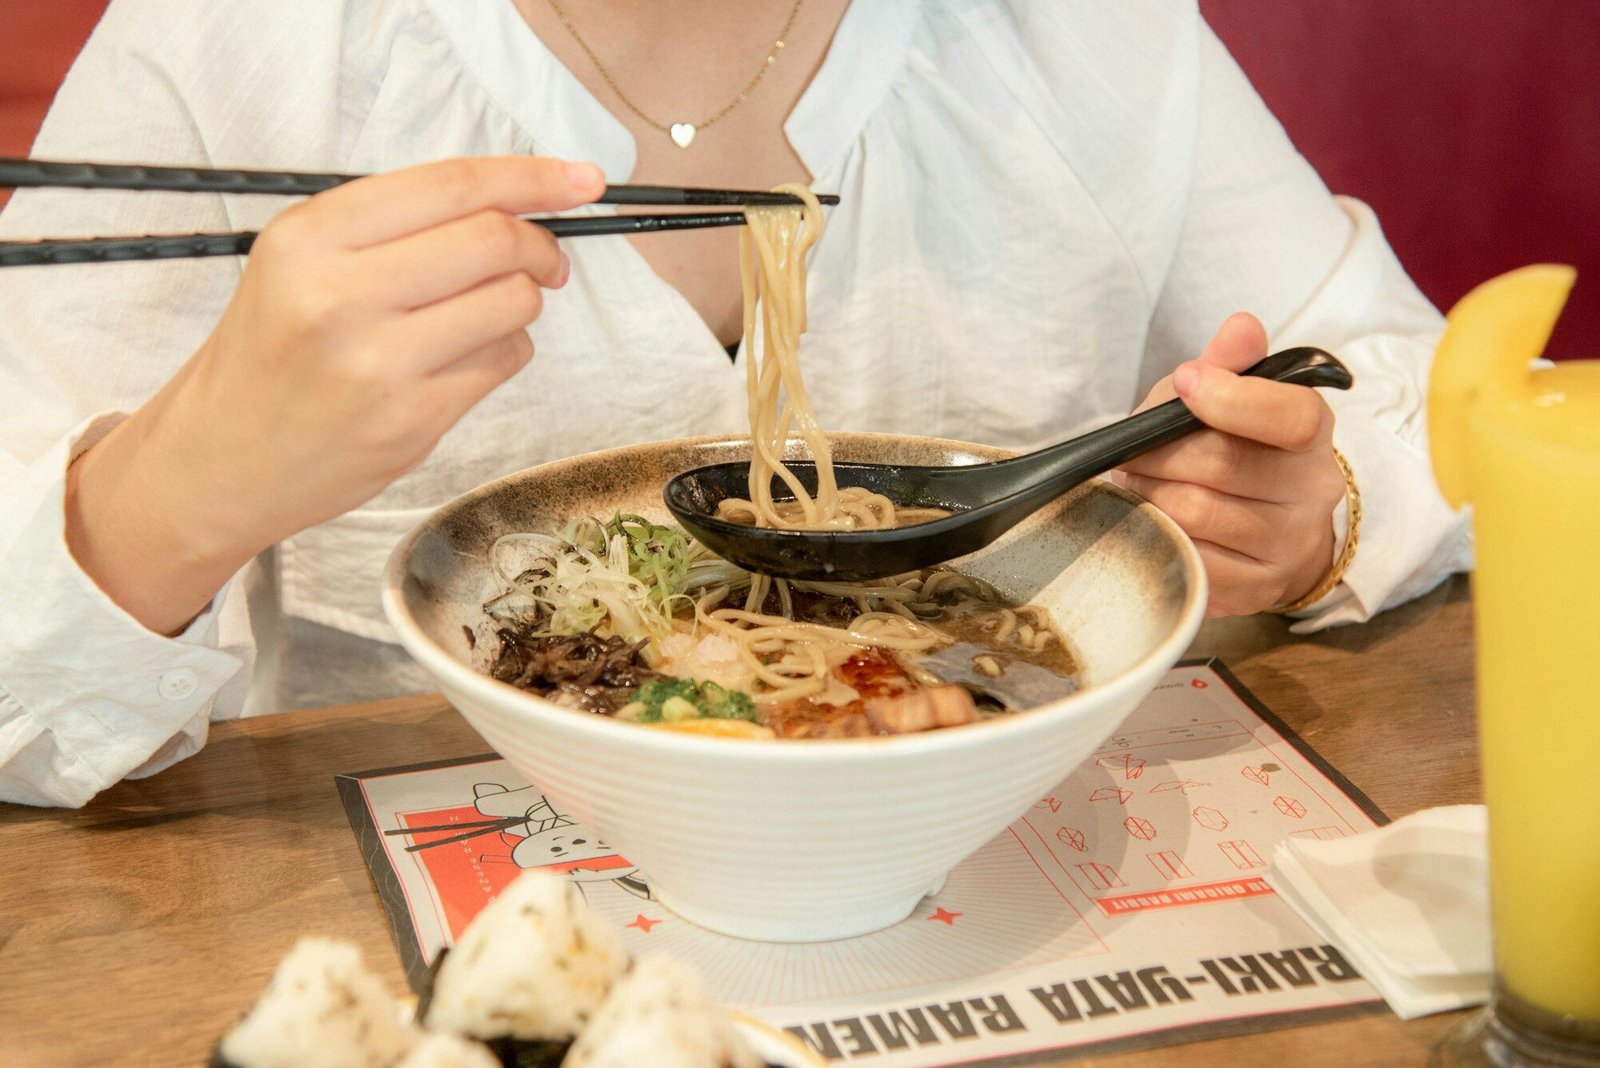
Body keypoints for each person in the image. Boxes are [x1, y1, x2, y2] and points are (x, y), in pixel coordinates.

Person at [0, 0, 1470, 807]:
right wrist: (187, 480)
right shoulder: (251, 41)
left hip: (988, 848)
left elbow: (1421, 396)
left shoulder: (1075, 35)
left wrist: (1314, 515)